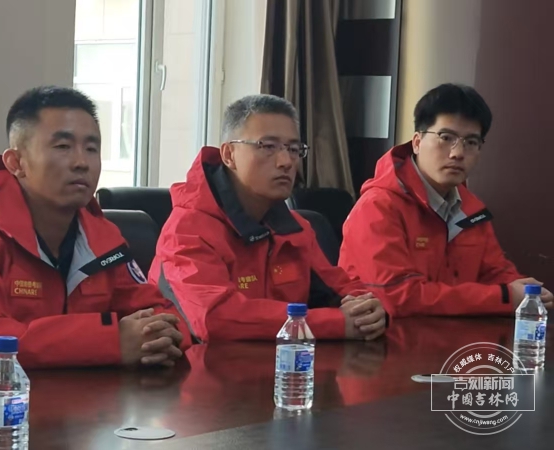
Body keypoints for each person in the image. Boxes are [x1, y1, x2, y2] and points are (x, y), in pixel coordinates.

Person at [0, 86, 189, 373]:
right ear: (16, 163)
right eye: (63, 147)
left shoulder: (102, 237)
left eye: (91, 149)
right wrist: (109, 341)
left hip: (85, 398)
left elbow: (165, 315)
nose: (81, 163)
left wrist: (158, 337)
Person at [148, 94, 386, 342]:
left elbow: (339, 287)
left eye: (293, 149)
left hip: (283, 361)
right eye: (268, 147)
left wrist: (367, 309)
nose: (286, 162)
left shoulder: (295, 227)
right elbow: (217, 320)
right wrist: (333, 323)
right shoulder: (186, 231)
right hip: (199, 364)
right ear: (229, 155)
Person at [339, 83, 553, 317]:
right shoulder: (378, 206)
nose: (457, 153)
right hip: (387, 336)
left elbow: (495, 271)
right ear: (417, 142)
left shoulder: (470, 209)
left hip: (453, 333)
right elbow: (398, 298)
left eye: (471, 142)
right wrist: (504, 297)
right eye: (446, 137)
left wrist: (526, 293)